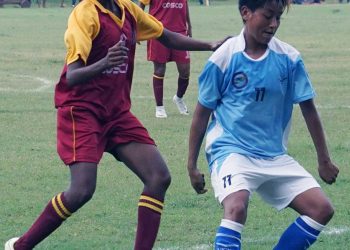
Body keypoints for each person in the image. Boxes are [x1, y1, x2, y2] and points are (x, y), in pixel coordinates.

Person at [4, 0, 228, 249]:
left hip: (116, 113)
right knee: (81, 190)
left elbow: (166, 36)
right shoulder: (85, 13)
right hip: (82, 111)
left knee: (158, 177)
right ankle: (21, 245)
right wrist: (105, 62)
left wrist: (210, 44)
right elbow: (73, 74)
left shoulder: (127, 10)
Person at [187, 0, 340, 249]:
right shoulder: (223, 59)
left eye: (278, 17)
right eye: (268, 16)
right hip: (231, 151)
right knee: (236, 207)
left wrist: (323, 159)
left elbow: (309, 109)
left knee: (321, 209)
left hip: (273, 155)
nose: (274, 24)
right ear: (246, 13)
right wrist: (192, 165)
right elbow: (201, 114)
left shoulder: (289, 58)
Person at [139, 0, 192, 118]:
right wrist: (137, 27)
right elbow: (141, 5)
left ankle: (178, 98)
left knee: (185, 70)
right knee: (159, 69)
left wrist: (189, 25)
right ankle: (159, 107)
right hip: (158, 31)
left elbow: (185, 3)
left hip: (180, 31)